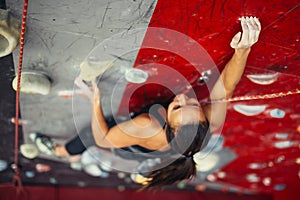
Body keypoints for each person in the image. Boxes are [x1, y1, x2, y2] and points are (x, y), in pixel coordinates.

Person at [31, 16, 261, 189]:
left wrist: (95, 100)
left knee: (90, 135)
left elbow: (103, 138)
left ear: (166, 123)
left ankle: (62, 151)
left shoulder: (147, 125)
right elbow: (225, 90)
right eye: (193, 105)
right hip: (161, 148)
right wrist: (243, 51)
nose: (184, 98)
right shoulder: (203, 126)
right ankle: (72, 152)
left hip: (133, 146)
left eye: (177, 107)